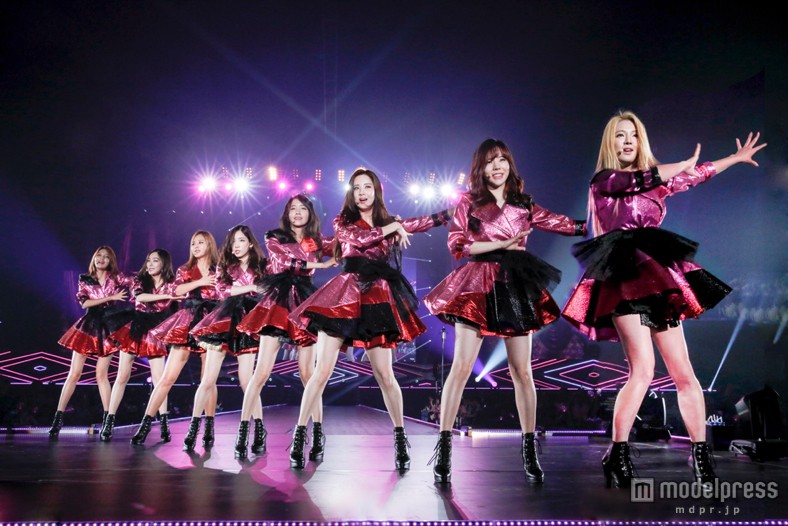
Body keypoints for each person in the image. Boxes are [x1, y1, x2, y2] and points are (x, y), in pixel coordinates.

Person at [561, 110, 766, 488]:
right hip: (621, 277)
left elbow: (696, 174)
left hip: (656, 278)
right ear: (611, 142)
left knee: (684, 372)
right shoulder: (605, 179)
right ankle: (618, 454)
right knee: (642, 370)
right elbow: (646, 177)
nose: (627, 141)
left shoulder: (658, 181)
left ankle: (700, 456)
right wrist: (678, 165)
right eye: (620, 135)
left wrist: (734, 159)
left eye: (633, 136)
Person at [424, 138, 586, 483]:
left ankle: (529, 449)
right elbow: (457, 244)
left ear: (510, 165)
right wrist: (501, 243)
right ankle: (445, 446)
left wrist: (597, 224)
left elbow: (561, 223)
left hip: (515, 284)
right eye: (489, 161)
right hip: (477, 284)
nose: (496, 166)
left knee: (522, 371)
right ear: (480, 168)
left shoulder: (524, 203)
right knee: (461, 367)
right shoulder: (468, 202)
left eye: (501, 160)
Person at [287, 168, 452, 470]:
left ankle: (400, 439)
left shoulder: (390, 221)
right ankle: (300, 436)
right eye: (357, 188)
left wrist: (450, 213)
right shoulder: (342, 221)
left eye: (367, 187)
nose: (362, 193)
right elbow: (359, 239)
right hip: (343, 295)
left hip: (377, 297)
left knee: (385, 375)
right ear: (351, 193)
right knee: (321, 372)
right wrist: (393, 228)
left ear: (377, 191)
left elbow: (419, 223)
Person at [233, 194, 336, 459]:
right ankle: (244, 432)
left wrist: (387, 228)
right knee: (261, 372)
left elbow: (345, 245)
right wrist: (320, 263)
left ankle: (317, 433)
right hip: (278, 301)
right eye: (293, 208)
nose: (298, 212)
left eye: (303, 208)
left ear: (310, 213)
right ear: (287, 213)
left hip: (306, 301)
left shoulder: (317, 240)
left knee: (308, 374)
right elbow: (285, 262)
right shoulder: (274, 236)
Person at [130, 231, 220, 446]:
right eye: (193, 243)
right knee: (167, 377)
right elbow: (176, 289)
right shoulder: (184, 269)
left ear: (209, 244)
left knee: (208, 379)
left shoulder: (219, 268)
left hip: (211, 320)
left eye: (200, 243)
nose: (195, 246)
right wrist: (200, 282)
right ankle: (145, 425)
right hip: (189, 318)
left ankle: (208, 427)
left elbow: (225, 290)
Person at [182, 225, 266, 452]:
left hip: (249, 322)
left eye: (241, 240)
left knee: (247, 380)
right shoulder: (225, 266)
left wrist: (249, 289)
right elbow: (222, 291)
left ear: (250, 243)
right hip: (224, 319)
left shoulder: (262, 266)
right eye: (233, 242)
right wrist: (251, 287)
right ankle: (193, 428)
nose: (236, 245)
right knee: (208, 379)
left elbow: (267, 291)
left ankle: (258, 428)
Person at [49, 246, 133, 437]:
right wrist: (111, 297)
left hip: (109, 326)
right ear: (94, 258)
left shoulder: (116, 277)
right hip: (89, 326)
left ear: (111, 261)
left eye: (106, 257)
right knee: (74, 373)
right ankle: (58, 418)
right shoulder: (85, 279)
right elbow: (84, 303)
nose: (101, 259)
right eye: (98, 256)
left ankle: (108, 420)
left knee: (101, 374)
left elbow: (134, 282)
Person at [100, 249, 178, 441]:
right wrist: (167, 296)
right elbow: (141, 297)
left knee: (160, 380)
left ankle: (164, 424)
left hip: (156, 332)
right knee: (122, 376)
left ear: (164, 264)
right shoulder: (139, 281)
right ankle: (109, 422)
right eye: (148, 260)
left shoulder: (171, 284)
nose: (150, 264)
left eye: (155, 261)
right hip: (135, 328)